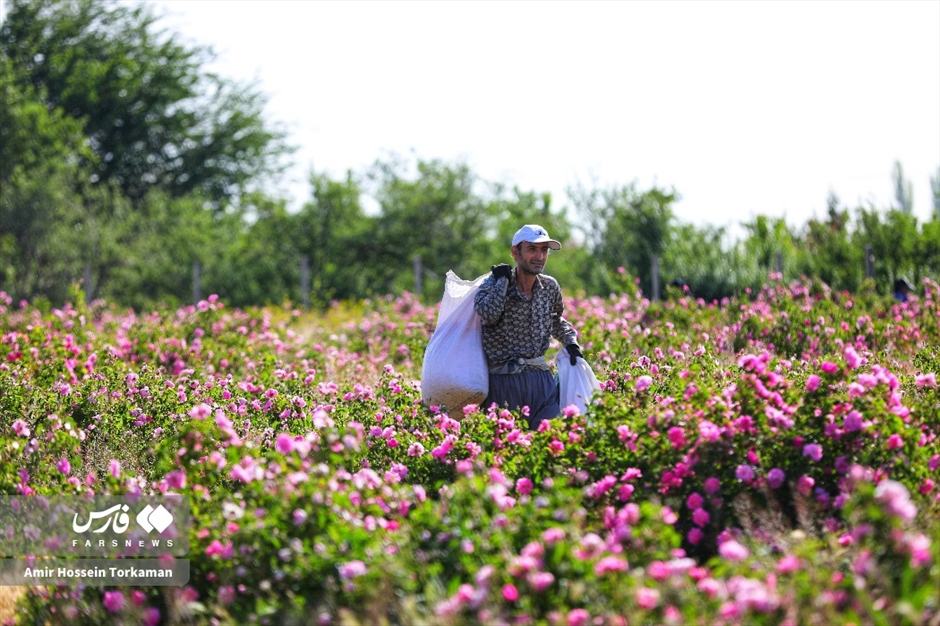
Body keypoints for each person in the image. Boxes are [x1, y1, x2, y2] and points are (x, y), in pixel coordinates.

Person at [474, 224, 582, 430]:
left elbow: (555, 320)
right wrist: (503, 283)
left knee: (549, 440)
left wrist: (571, 341)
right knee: (508, 451)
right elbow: (488, 314)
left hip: (541, 382)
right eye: (532, 249)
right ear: (515, 252)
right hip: (504, 384)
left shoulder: (550, 287)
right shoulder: (494, 283)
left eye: (544, 250)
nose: (540, 256)